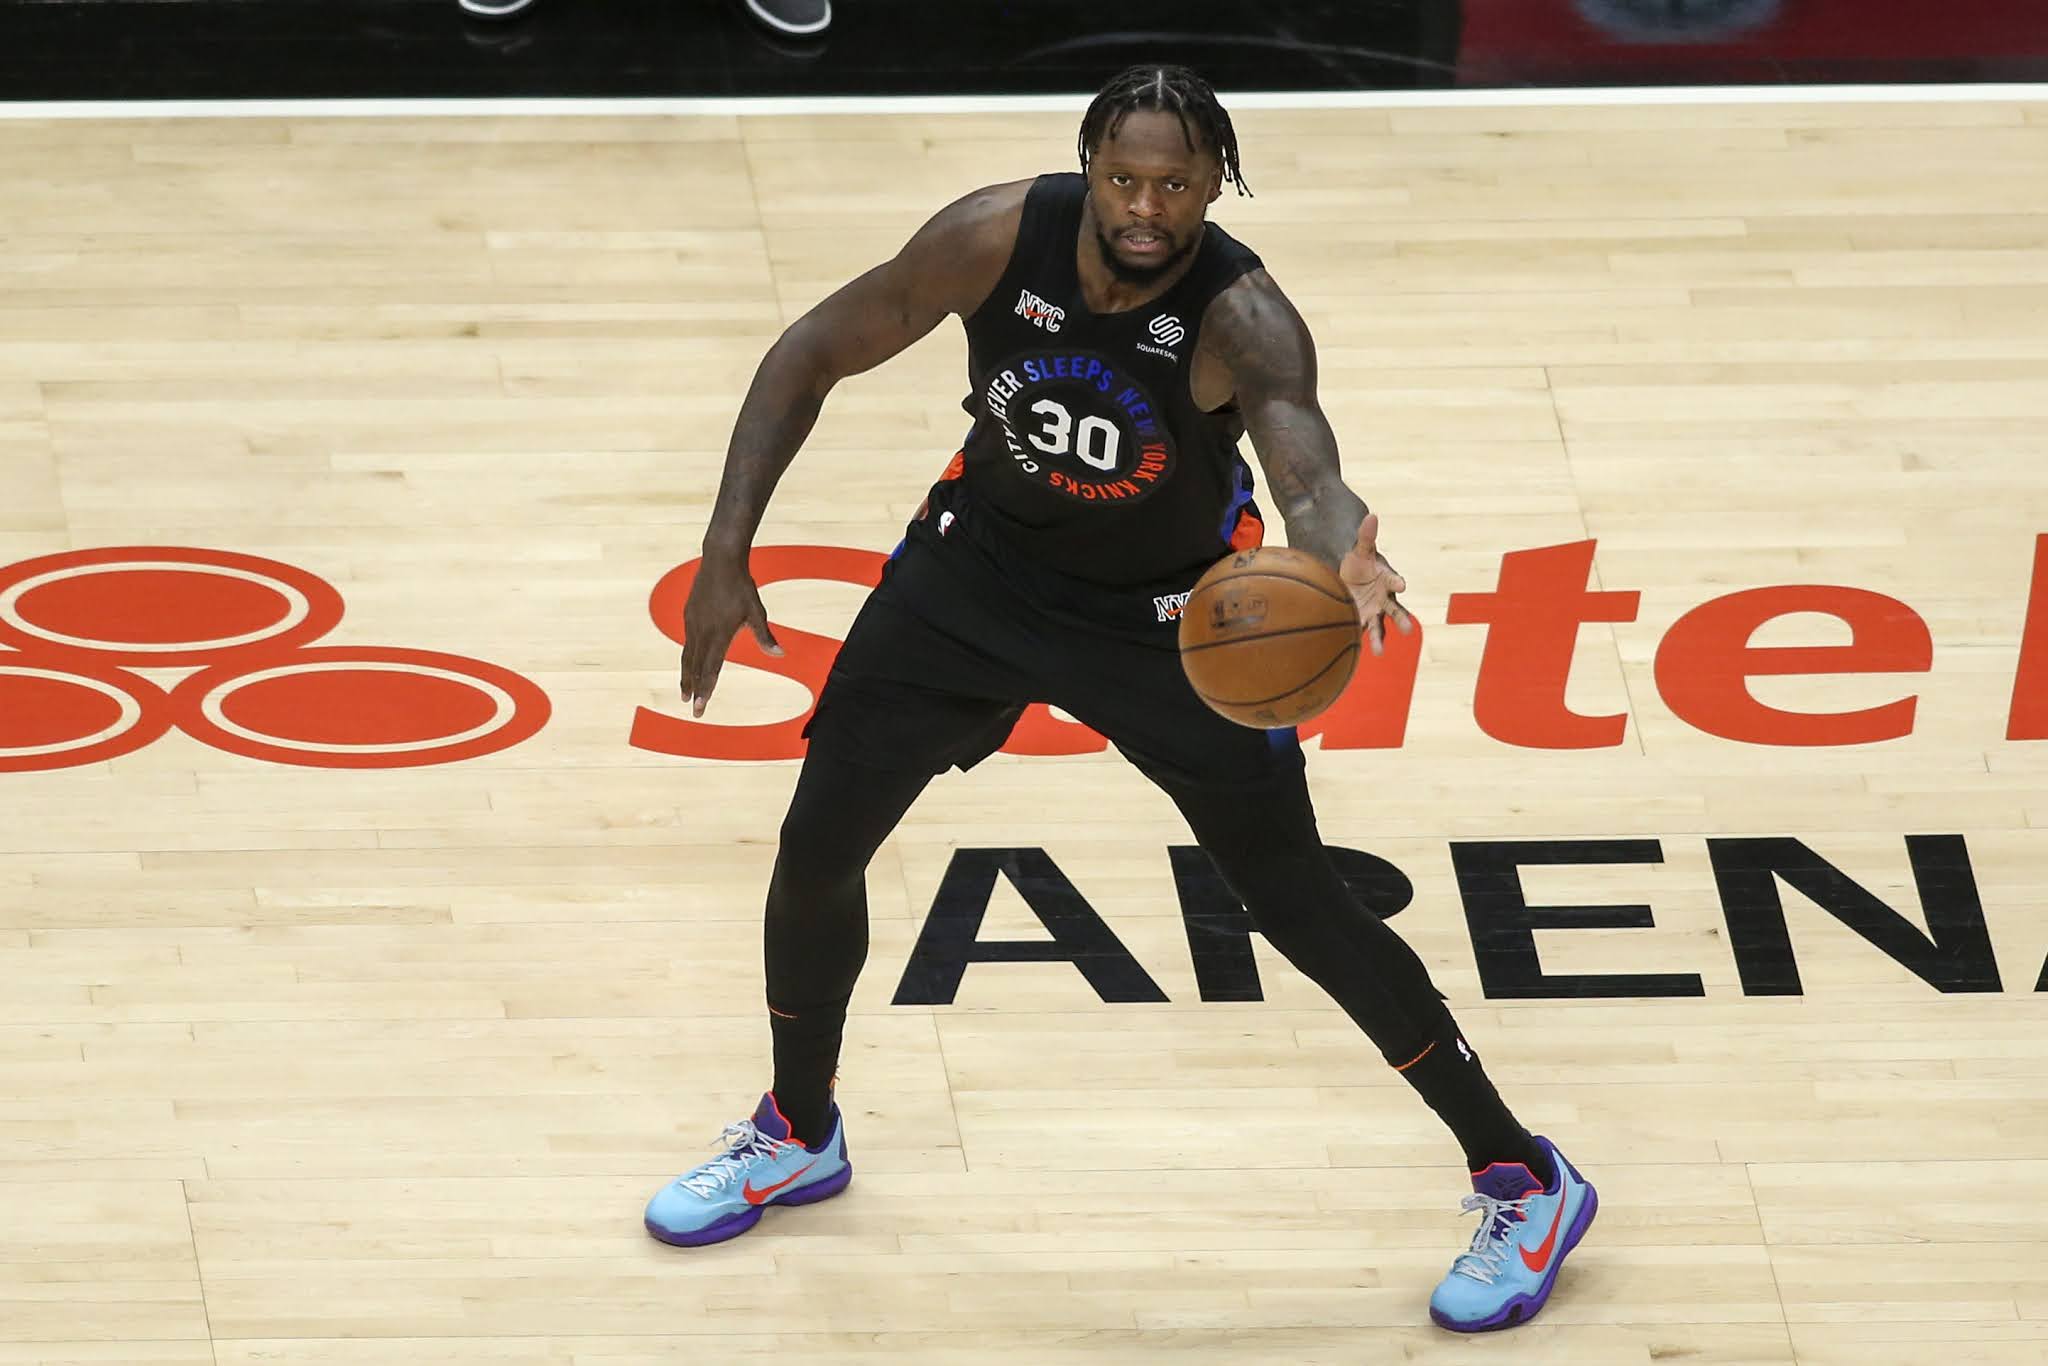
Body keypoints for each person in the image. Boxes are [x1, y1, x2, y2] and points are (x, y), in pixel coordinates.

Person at [644, 63, 1597, 1333]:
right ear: (1087, 165)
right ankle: (796, 1130)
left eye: (1177, 185)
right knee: (816, 848)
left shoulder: (1243, 317)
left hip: (1166, 628)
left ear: (1215, 184)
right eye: (1125, 179)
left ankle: (1522, 1177)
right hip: (973, 581)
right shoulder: (993, 237)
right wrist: (725, 548)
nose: (1147, 208)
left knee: (1298, 904)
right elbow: (810, 349)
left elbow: (1304, 470)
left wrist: (1340, 550)